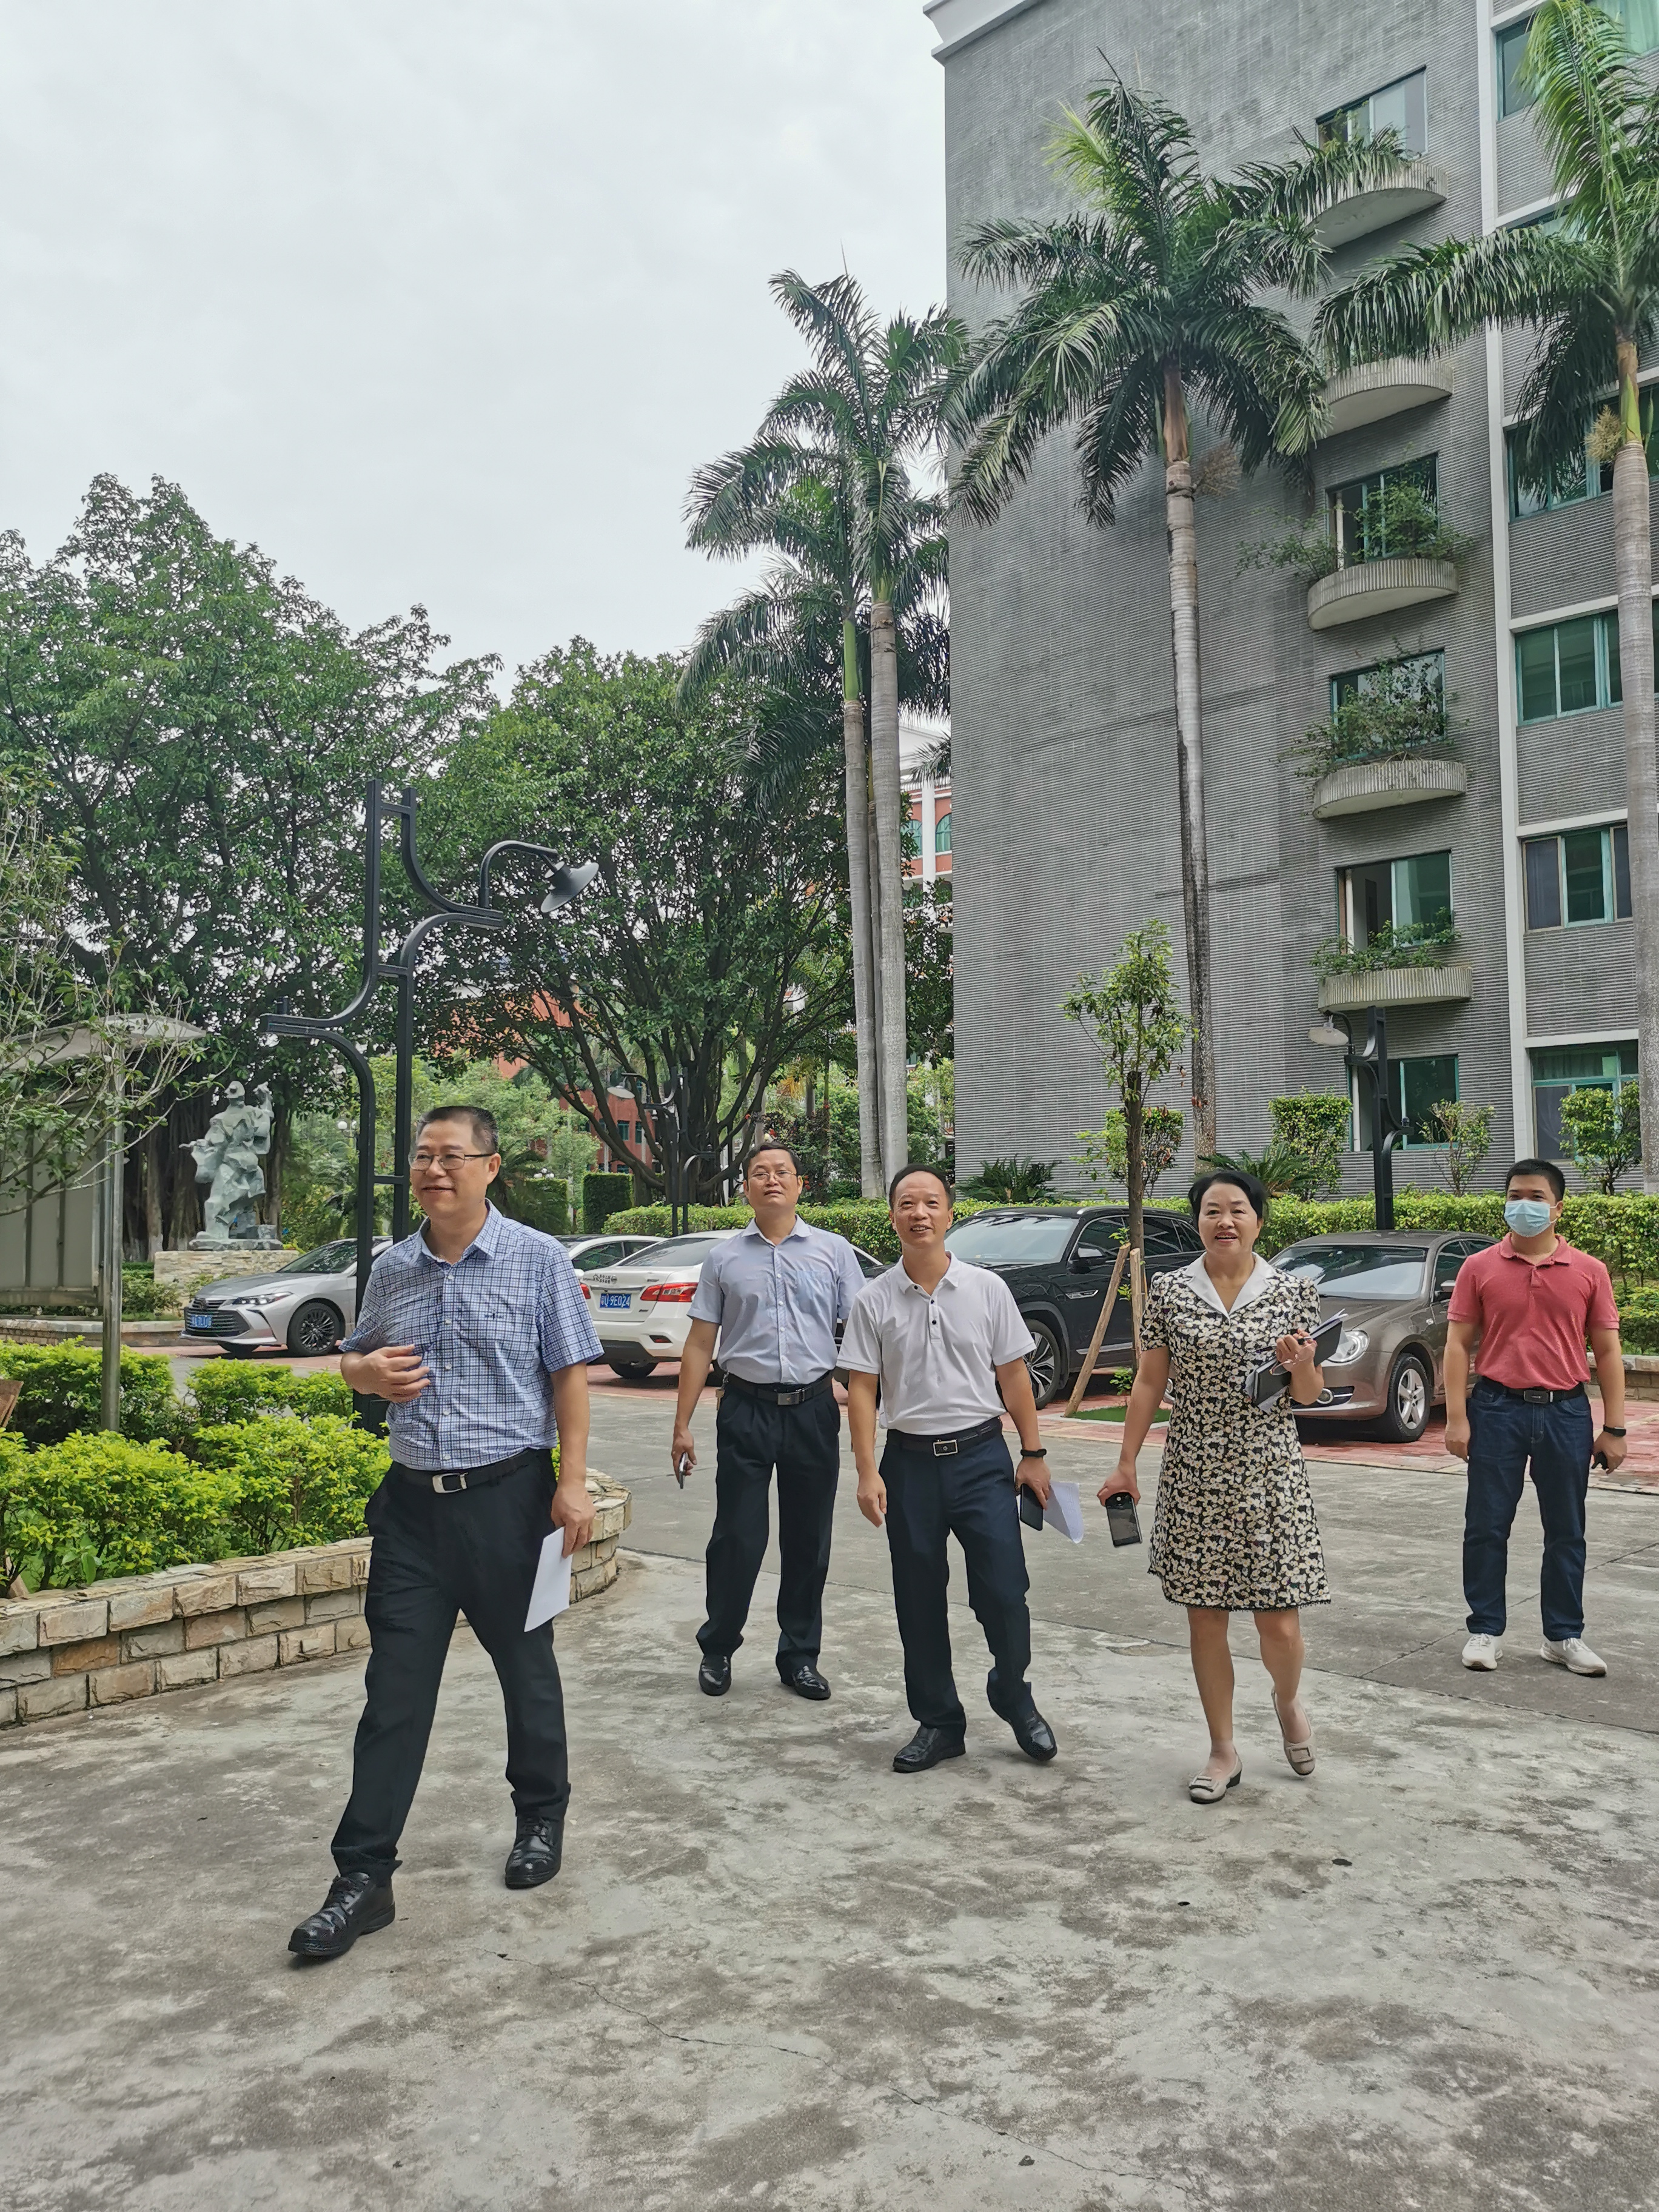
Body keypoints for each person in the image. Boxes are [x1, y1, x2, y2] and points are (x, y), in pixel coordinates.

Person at [287, 1104, 603, 1961]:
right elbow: (356, 1359)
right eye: (424, 1156)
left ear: (490, 1167)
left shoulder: (538, 1259)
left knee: (527, 1674)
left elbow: (570, 1378)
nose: (434, 1169)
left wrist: (571, 1483)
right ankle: (363, 1878)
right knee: (393, 1695)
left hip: (509, 1502)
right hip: (412, 1512)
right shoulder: (394, 1267)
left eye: (452, 1156)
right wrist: (362, 1371)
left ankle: (540, 1819)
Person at [1101, 1171, 1329, 1805]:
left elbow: (1308, 1395)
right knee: (1205, 1618)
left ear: (1259, 1220)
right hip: (1195, 1468)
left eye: (1237, 1210)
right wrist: (1126, 1463)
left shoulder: (1293, 1291)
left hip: (1269, 1470)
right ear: (1197, 1220)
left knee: (1279, 1624)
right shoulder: (1170, 1290)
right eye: (1211, 1211)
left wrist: (1301, 1365)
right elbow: (1150, 1381)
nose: (1224, 1221)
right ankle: (1223, 1748)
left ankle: (1287, 1700)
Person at [841, 1164, 1058, 1774]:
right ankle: (939, 1722)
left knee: (1005, 1592)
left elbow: (1014, 1376)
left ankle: (1013, 1692)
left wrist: (1033, 1455)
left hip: (982, 1459)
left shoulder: (986, 1289)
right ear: (892, 1217)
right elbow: (862, 1389)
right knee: (918, 1599)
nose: (920, 1214)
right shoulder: (873, 1298)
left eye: (931, 1203)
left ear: (949, 1214)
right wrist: (866, 1470)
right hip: (908, 1465)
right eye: (907, 1204)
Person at [669, 1141, 868, 1700]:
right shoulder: (724, 1259)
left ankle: (799, 1656)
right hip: (745, 1410)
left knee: (808, 1539)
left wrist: (862, 1398)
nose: (772, 1180)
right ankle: (718, 1647)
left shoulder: (833, 1252)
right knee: (736, 1536)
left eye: (782, 1172)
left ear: (801, 1184)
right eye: (760, 1172)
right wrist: (682, 1424)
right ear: (746, 1189)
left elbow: (862, 1333)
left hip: (813, 1411)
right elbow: (700, 1344)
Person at [1446, 1156, 1625, 1677]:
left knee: (1567, 1530)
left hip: (1566, 1412)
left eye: (1536, 1197)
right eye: (1515, 1196)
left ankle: (1563, 1635)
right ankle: (1485, 1629)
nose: (1523, 1206)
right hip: (1496, 1409)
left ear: (1557, 1208)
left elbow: (1608, 1351)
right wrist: (1457, 1418)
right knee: (1486, 1526)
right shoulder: (1479, 1267)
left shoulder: (1589, 1271)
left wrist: (1615, 1428)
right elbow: (1457, 1345)